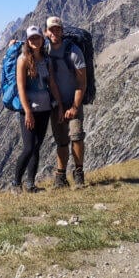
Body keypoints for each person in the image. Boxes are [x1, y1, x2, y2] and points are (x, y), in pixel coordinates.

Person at [13, 25, 64, 193]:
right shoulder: (23, 59)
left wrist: (59, 103)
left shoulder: (46, 58)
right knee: (29, 147)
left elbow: (52, 83)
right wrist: (27, 112)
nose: (35, 40)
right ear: (28, 41)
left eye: (37, 37)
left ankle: (30, 184)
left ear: (42, 39)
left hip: (44, 109)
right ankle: (15, 184)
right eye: (32, 38)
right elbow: (21, 87)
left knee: (36, 147)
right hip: (29, 110)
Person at [45, 16, 87, 187]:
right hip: (56, 105)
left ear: (62, 31)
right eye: (51, 29)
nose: (55, 32)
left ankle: (78, 175)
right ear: (46, 32)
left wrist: (75, 107)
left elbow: (82, 83)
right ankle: (60, 178)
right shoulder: (44, 50)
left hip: (73, 102)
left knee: (76, 137)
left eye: (58, 29)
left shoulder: (74, 51)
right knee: (61, 141)